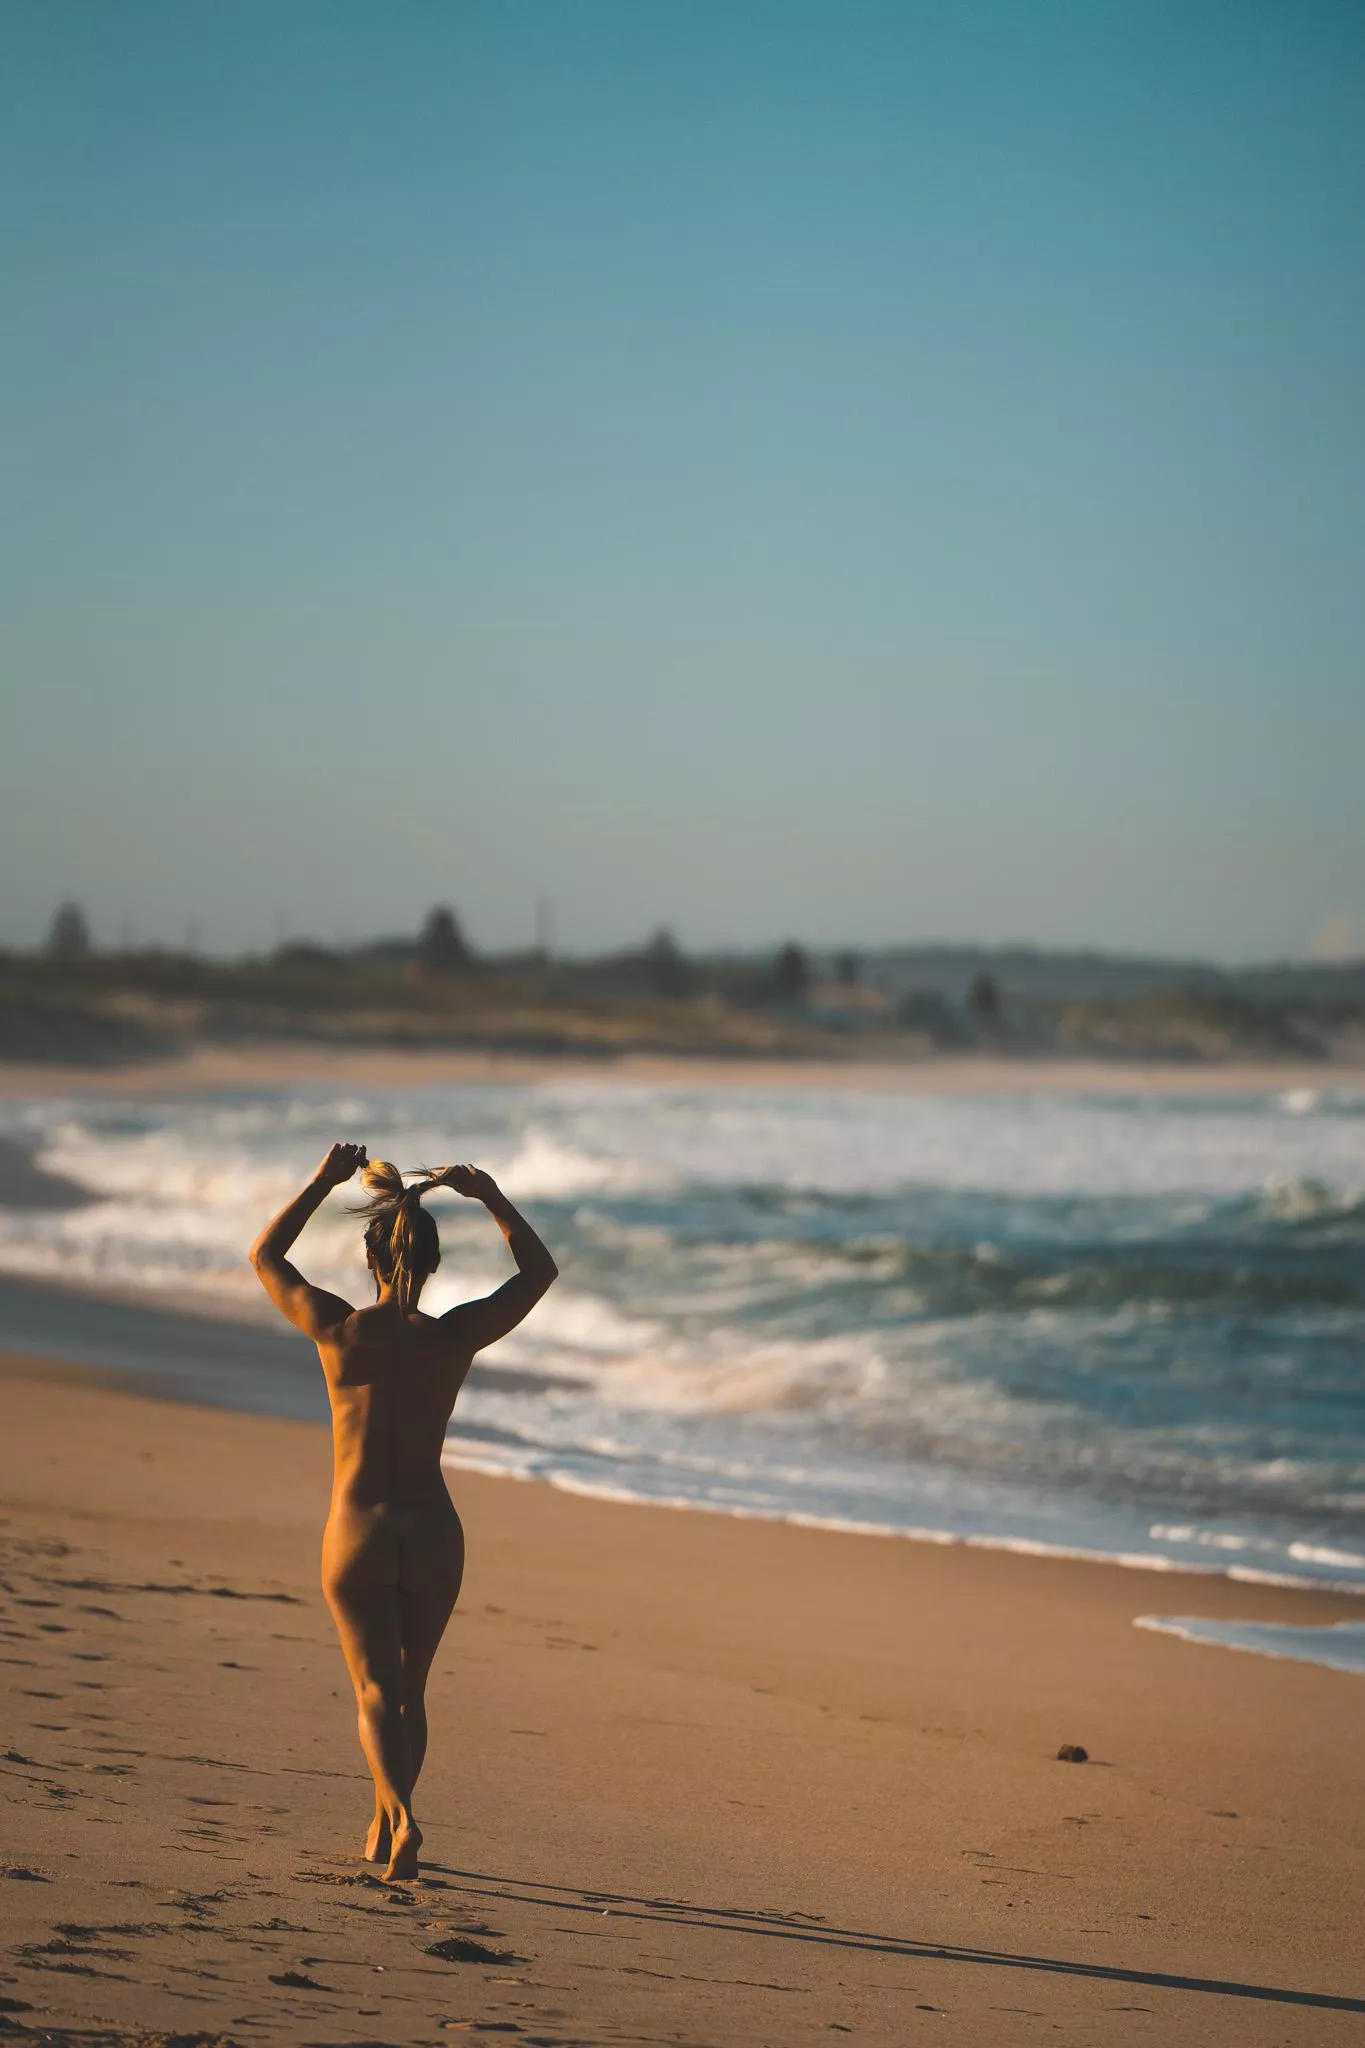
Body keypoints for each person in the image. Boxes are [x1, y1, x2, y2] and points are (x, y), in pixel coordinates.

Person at [248, 1142, 558, 1879]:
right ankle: (387, 1820)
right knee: (410, 1691)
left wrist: (323, 1179)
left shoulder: (339, 1329)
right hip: (433, 1529)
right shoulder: (452, 1337)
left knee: (374, 1689)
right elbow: (538, 1274)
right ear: (432, 1263)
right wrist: (488, 1196)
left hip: (357, 1528)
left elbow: (267, 1256)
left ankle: (401, 1816)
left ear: (369, 1260)